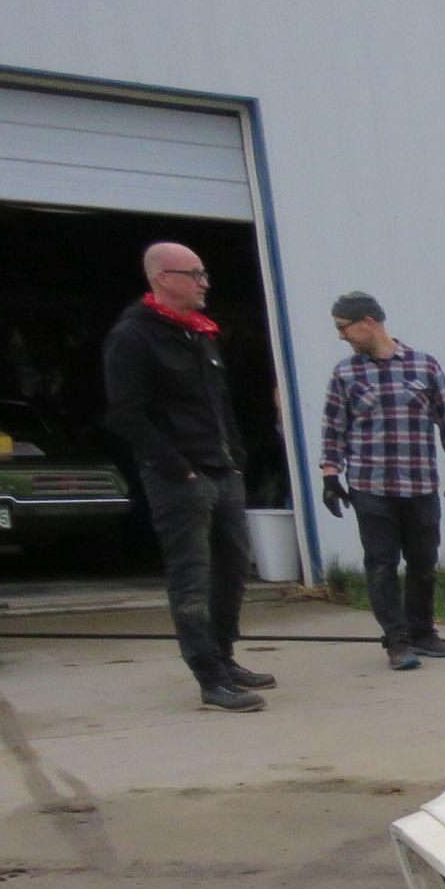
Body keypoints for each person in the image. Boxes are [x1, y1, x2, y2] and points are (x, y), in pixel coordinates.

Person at [102, 242, 276, 711]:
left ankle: (225, 655)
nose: (204, 282)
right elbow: (128, 416)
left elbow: (220, 406)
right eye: (193, 273)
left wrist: (235, 458)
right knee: (192, 578)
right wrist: (182, 468)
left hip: (223, 472)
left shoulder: (198, 333)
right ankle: (209, 677)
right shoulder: (134, 337)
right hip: (179, 479)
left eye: (204, 272)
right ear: (162, 278)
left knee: (233, 569)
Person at [317, 292, 445, 670]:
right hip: (370, 486)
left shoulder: (425, 366)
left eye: (344, 328)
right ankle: (397, 641)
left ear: (368, 322)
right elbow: (333, 427)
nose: (341, 336)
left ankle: (422, 632)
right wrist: (330, 475)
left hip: (420, 485)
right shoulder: (346, 373)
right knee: (381, 564)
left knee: (423, 563)